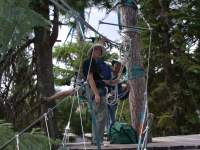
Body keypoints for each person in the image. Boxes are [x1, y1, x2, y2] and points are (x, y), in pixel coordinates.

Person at [82, 43, 111, 145]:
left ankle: (97, 140)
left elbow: (97, 79)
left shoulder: (93, 63)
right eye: (97, 50)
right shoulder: (90, 62)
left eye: (100, 50)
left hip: (97, 89)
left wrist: (112, 81)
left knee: (99, 115)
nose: (99, 52)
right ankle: (97, 141)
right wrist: (96, 94)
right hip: (95, 90)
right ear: (92, 52)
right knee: (101, 115)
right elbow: (90, 78)